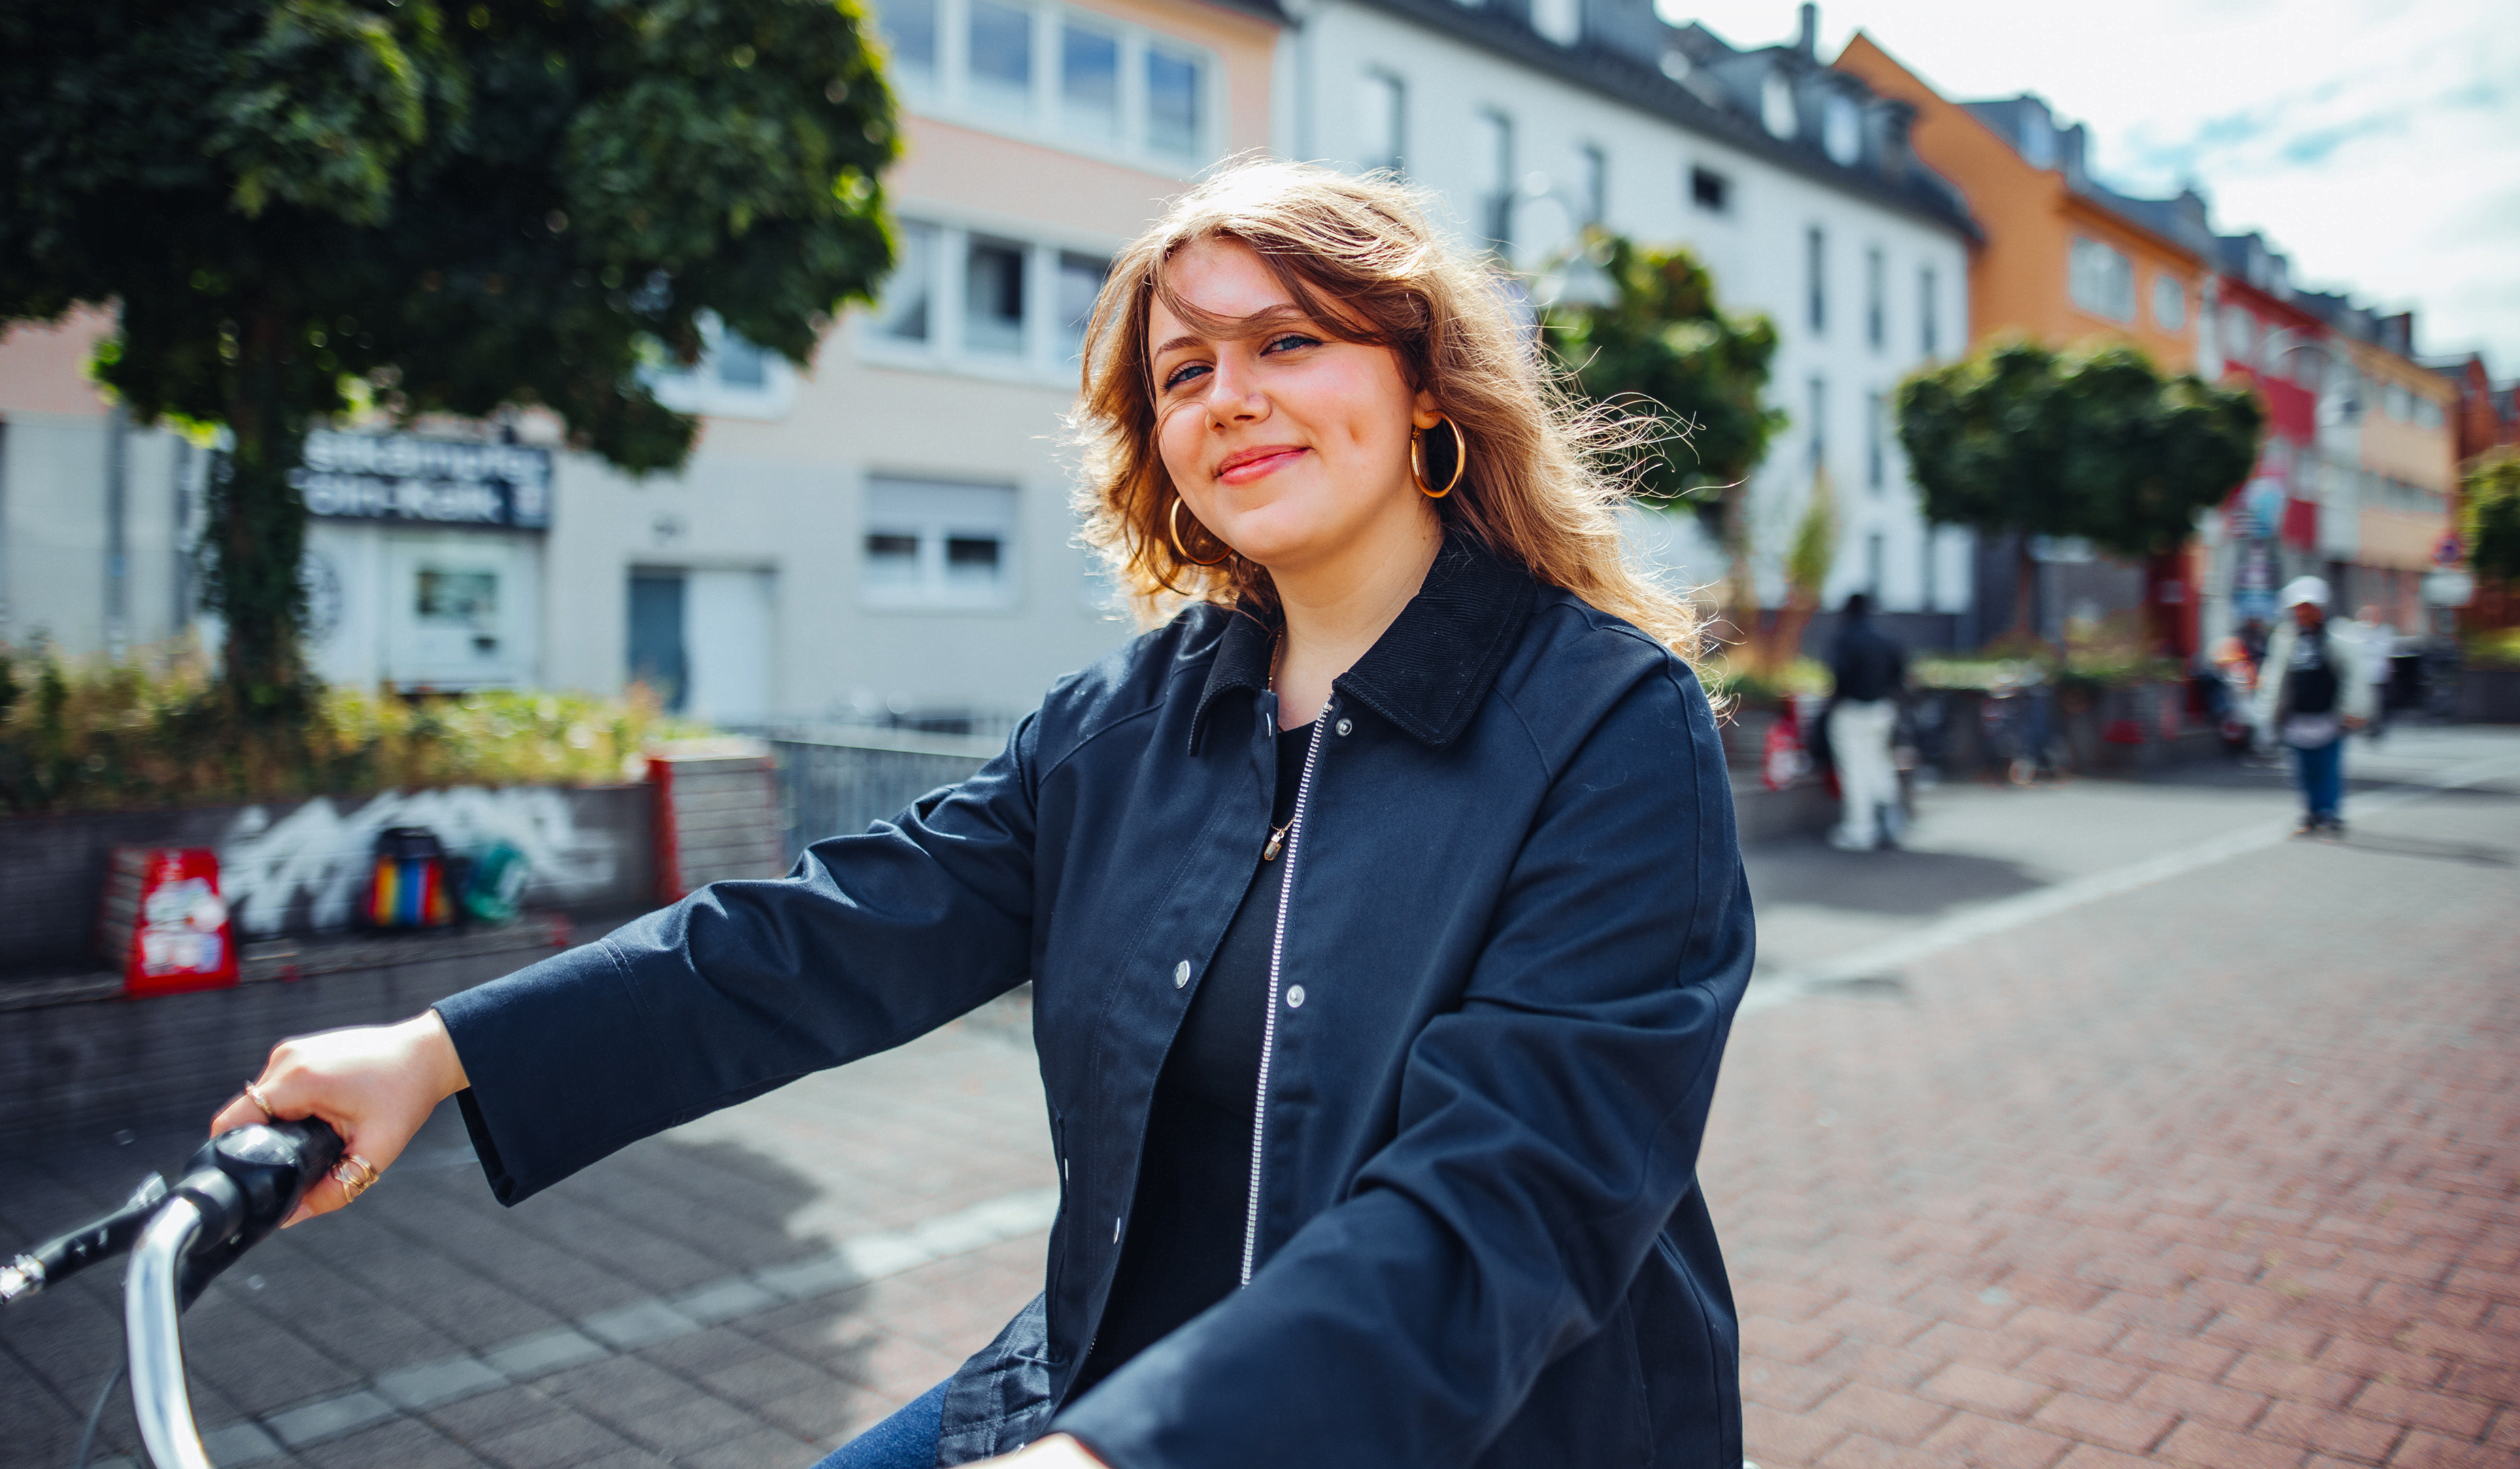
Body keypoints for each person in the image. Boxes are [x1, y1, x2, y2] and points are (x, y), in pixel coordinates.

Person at [212, 163, 1755, 1469]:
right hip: (1096, 1385)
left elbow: (1516, 1196)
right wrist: (439, 1050)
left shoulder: (1607, 726)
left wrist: (1120, 1451)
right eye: (1183, 370)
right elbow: (825, 929)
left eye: (1287, 339)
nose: (1231, 399)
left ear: (1423, 383)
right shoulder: (1128, 727)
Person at [2253, 575, 2372, 836]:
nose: (2303, 613)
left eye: (2308, 607)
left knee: (2327, 768)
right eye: (2298, 608)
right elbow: (2276, 677)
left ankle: (2329, 813)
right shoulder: (2286, 639)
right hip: (2297, 718)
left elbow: (2353, 677)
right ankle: (2311, 813)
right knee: (2303, 771)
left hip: (2329, 717)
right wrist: (2271, 712)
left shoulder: (2338, 636)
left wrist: (2354, 710)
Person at [1826, 592, 1906, 850]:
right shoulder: (1886, 641)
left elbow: (1839, 678)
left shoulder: (1846, 640)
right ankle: (1890, 824)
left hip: (1852, 711)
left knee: (1855, 771)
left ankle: (1860, 830)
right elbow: (1900, 677)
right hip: (1882, 710)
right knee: (1880, 764)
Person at [2349, 603, 2396, 743]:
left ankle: (2376, 728)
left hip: (2377, 675)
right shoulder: (2355, 630)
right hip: (2361, 674)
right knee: (2362, 701)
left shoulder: (2384, 631)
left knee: (2377, 702)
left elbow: (2386, 649)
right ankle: (2364, 726)